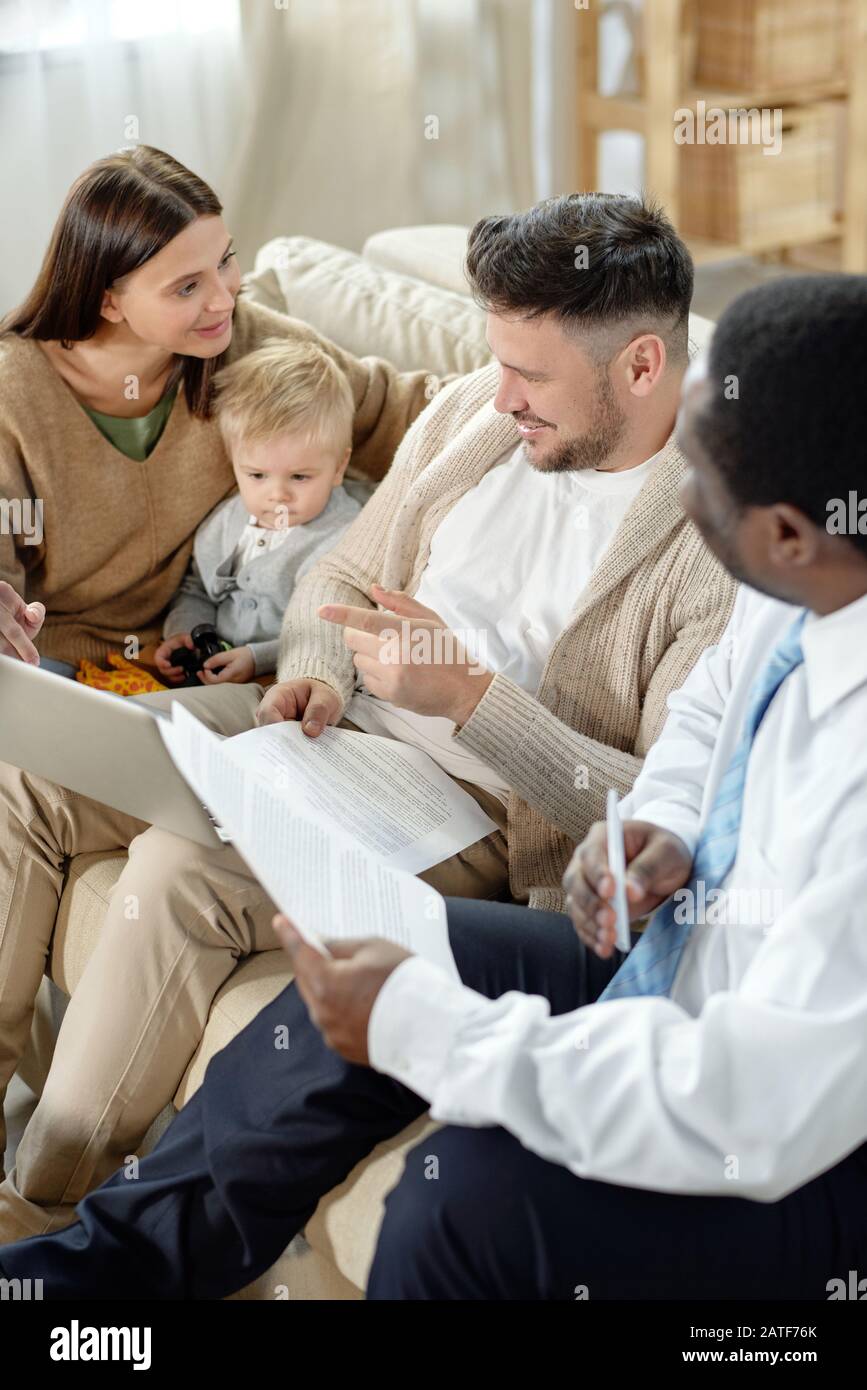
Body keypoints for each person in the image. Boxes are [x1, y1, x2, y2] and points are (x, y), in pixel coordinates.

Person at [2, 272, 865, 1300]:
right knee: (363, 971)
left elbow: (755, 1104)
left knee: (453, 1208)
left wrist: (424, 1024)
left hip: (799, 1132)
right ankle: (80, 1284)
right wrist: (667, 825)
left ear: (785, 536)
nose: (683, 491)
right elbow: (713, 710)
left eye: (706, 487)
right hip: (682, 953)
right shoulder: (801, 575)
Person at [0, 144, 432, 676]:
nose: (225, 298)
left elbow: (396, 408)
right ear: (108, 300)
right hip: (61, 663)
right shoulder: (11, 395)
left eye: (224, 260)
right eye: (187, 287)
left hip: (205, 650)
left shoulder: (244, 338)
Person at [154, 340, 361, 687]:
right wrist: (184, 634)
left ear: (339, 468)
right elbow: (197, 590)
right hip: (212, 670)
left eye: (299, 477)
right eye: (256, 475)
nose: (277, 494)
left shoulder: (343, 538)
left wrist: (257, 659)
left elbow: (333, 632)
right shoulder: (227, 521)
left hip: (289, 679)